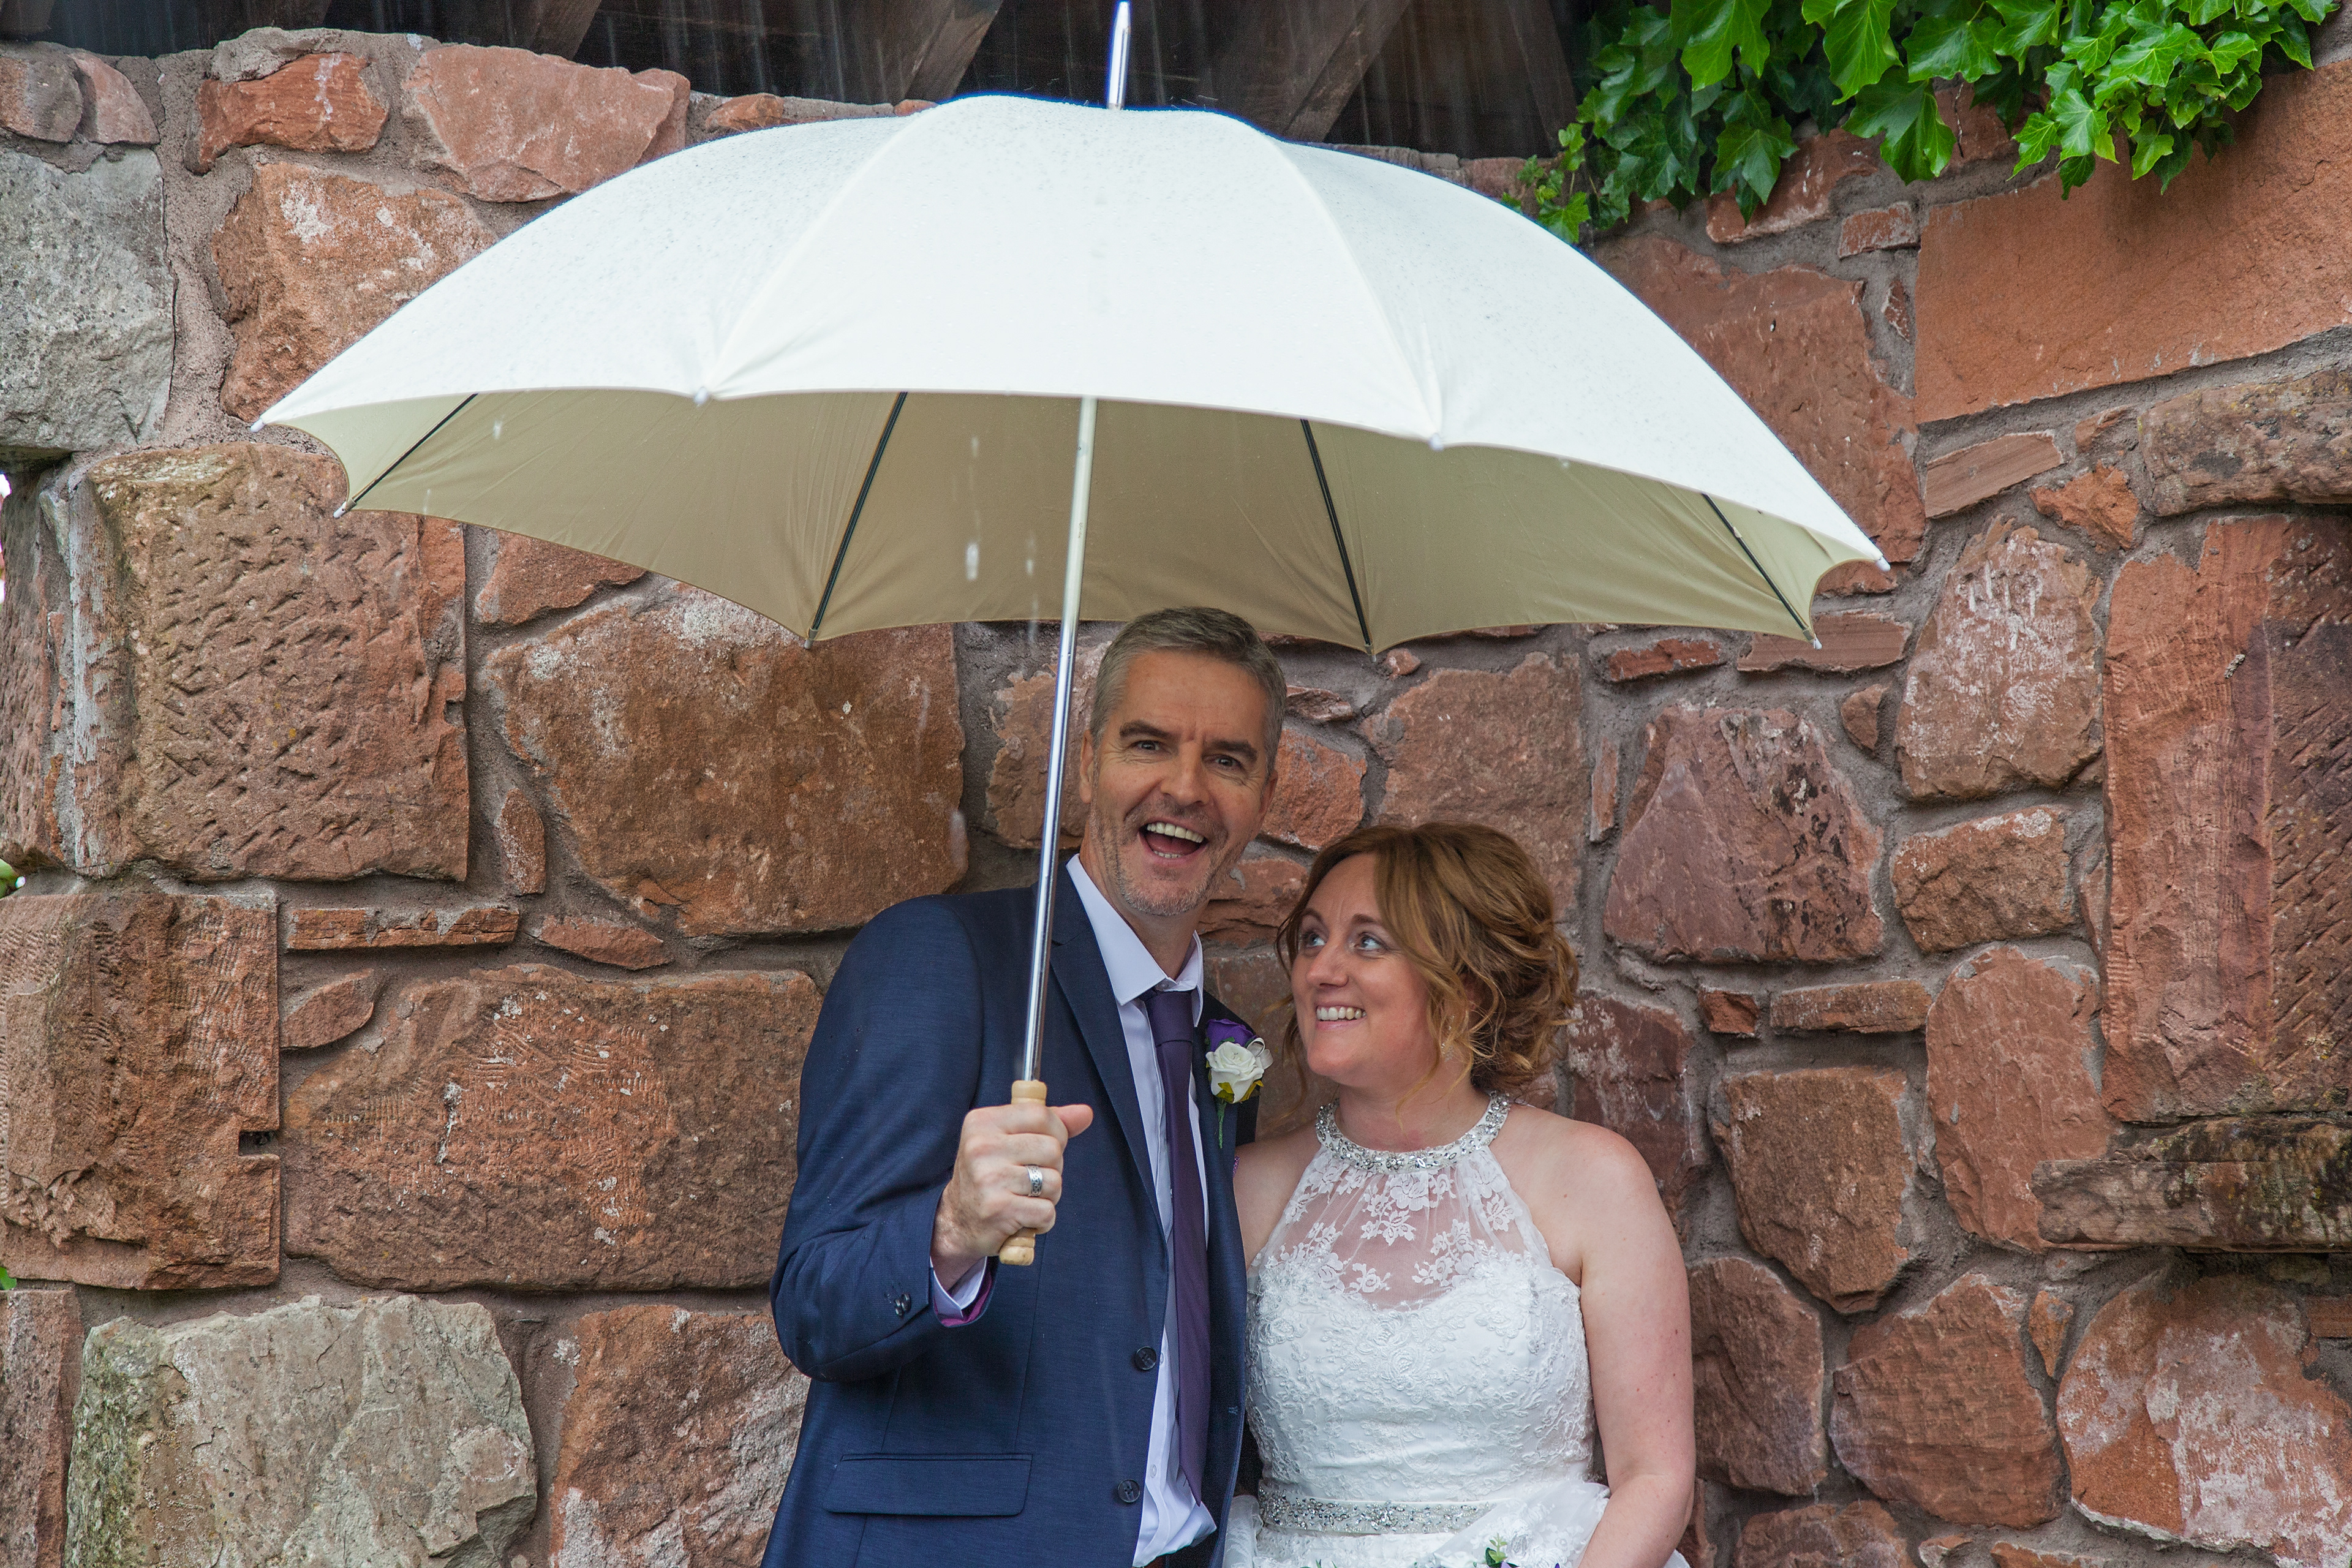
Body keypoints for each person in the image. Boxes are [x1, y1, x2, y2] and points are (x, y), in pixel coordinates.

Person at [763, 606, 1286, 1568]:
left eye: (1228, 759)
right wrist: (949, 1233)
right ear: (1087, 761)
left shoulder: (1228, 1048)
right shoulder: (941, 959)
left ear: (1264, 794)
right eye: (1147, 743)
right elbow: (812, 1305)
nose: (1184, 787)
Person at [1229, 822, 1695, 1568]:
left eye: (1368, 942)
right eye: (1312, 938)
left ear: (1466, 983)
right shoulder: (1248, 1188)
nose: (1322, 968)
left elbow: (1656, 1476)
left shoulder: (1591, 1179)